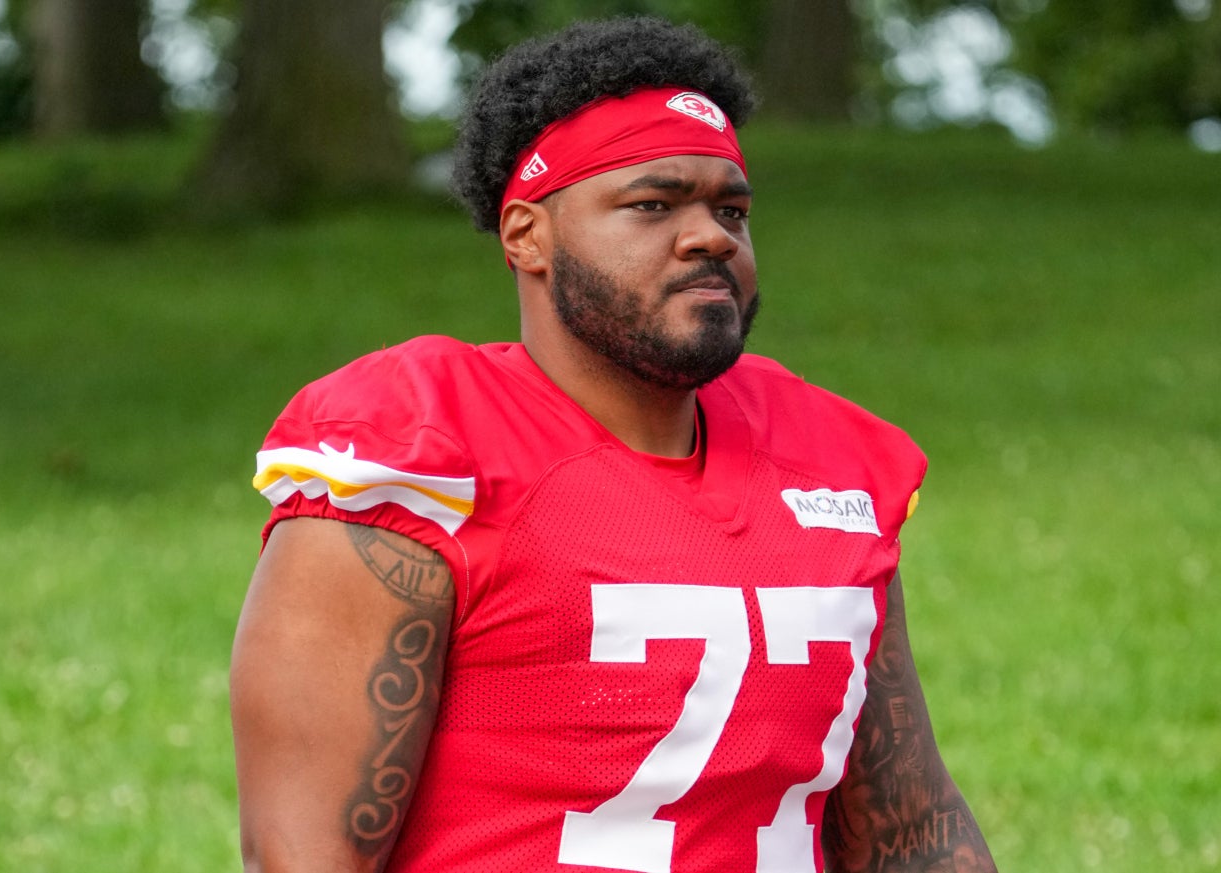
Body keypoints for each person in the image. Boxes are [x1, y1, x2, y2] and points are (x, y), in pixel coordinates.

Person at [231, 16, 999, 873]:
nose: (711, 235)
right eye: (652, 204)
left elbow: (910, 828)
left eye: (731, 209)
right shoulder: (417, 450)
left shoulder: (831, 459)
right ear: (528, 235)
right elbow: (302, 856)